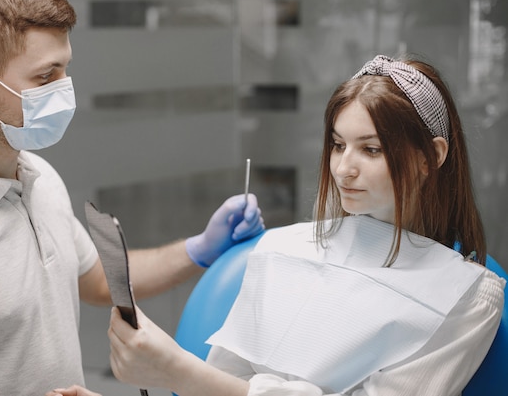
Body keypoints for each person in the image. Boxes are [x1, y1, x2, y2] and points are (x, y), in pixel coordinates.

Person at [0, 0, 265, 395]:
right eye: (46, 76)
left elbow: (95, 280)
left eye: (65, 70)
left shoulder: (39, 176)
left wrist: (199, 249)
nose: (65, 91)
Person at [97, 55, 505, 396]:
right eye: (338, 144)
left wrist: (178, 372)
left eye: (372, 149)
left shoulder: (465, 296)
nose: (344, 169)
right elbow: (223, 380)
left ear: (430, 157)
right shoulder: (283, 249)